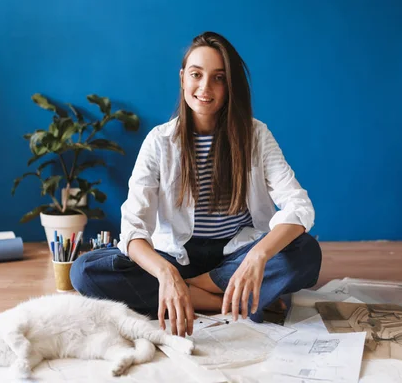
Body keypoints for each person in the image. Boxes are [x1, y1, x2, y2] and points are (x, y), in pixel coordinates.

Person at [70, 31, 322, 338]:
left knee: (306, 253)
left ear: (231, 86)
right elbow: (133, 229)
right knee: (84, 272)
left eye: (218, 78)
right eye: (196, 75)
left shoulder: (256, 136)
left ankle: (201, 288)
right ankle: (226, 301)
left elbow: (299, 205)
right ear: (182, 78)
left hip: (237, 255)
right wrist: (166, 274)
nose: (205, 87)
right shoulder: (159, 142)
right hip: (175, 257)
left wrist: (258, 257)